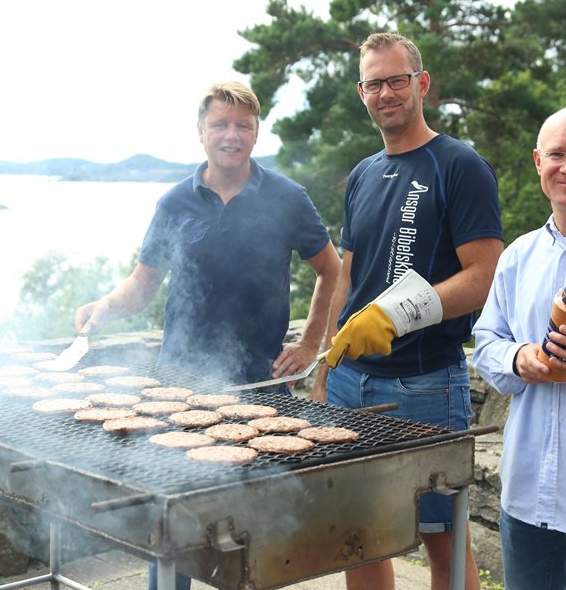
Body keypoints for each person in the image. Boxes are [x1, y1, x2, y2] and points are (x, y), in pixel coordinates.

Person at [75, 81, 341, 590]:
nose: (232, 135)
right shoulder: (176, 201)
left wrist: (311, 344)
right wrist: (104, 308)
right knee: (170, 518)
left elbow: (330, 269)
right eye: (220, 124)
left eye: (243, 124)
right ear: (200, 132)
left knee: (249, 527)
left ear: (257, 132)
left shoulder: (287, 198)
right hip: (180, 382)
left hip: (258, 387)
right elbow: (142, 285)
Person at [311, 32, 503, 590]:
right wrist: (328, 358)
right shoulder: (364, 174)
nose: (386, 92)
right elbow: (348, 274)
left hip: (425, 387)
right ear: (362, 93)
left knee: (445, 544)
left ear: (421, 84)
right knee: (360, 539)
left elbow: (483, 276)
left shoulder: (459, 165)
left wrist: (396, 316)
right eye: (374, 83)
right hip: (349, 386)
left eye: (397, 79)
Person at [472, 107, 566, 590]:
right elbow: (486, 341)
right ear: (537, 162)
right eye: (557, 155)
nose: (564, 167)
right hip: (528, 496)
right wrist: (518, 357)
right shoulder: (518, 257)